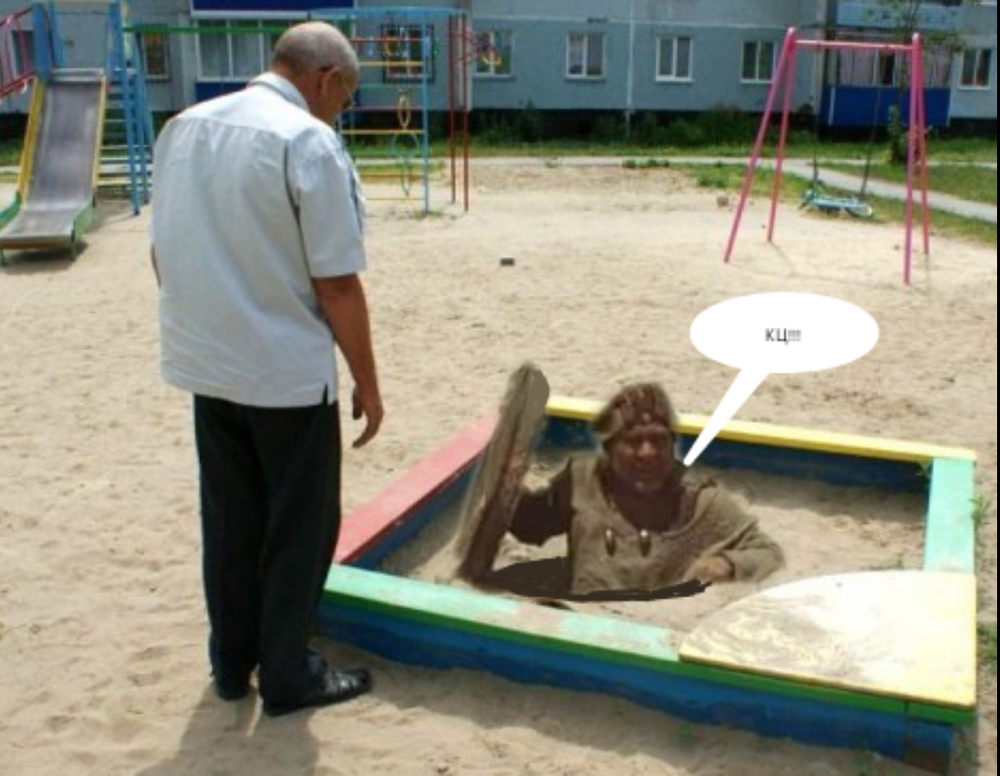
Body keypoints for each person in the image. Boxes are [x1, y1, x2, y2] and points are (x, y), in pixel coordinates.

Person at [149, 22, 383, 716]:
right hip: (285, 373)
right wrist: (368, 382)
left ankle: (230, 662)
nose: (341, 110)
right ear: (326, 79)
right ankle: (287, 674)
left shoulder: (184, 127)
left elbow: (162, 253)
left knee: (231, 520)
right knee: (300, 527)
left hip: (208, 364)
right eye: (345, 97)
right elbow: (336, 283)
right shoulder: (306, 140)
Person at [465, 381, 783, 599]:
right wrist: (506, 489)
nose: (647, 453)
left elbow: (767, 552)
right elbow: (531, 525)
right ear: (609, 449)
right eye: (633, 441)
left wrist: (726, 564)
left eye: (658, 440)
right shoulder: (583, 481)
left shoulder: (700, 502)